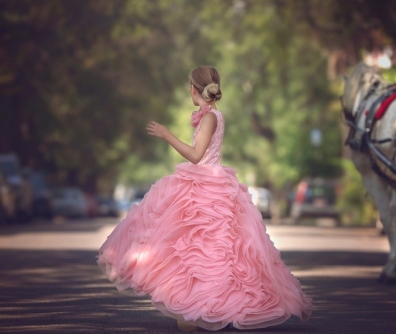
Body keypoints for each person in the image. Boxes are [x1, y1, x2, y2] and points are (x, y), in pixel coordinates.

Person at [96, 66, 313, 331]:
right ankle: (192, 306)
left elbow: (197, 155)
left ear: (192, 88)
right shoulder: (207, 116)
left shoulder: (211, 117)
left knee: (211, 251)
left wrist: (167, 135)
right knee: (192, 249)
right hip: (204, 181)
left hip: (209, 184)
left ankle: (204, 307)